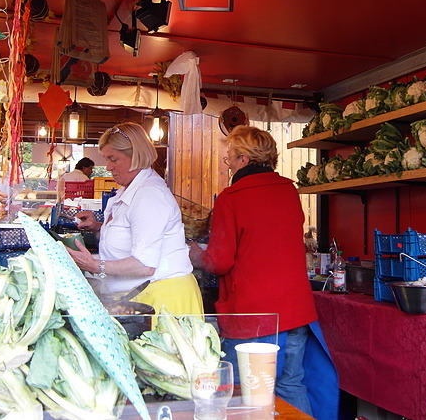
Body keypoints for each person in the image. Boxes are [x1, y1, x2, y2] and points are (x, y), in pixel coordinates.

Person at [189, 125, 338, 419]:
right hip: (296, 311)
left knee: (247, 394)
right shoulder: (288, 191)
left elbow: (219, 262)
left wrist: (197, 255)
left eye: (229, 156)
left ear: (244, 159)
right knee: (291, 385)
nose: (228, 162)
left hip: (252, 316)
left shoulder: (232, 198)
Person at [69, 122, 203, 315]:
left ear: (136, 156)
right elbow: (132, 233)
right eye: (106, 159)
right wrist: (99, 227)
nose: (108, 167)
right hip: (143, 296)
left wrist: (94, 266)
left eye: (113, 159)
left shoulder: (149, 195)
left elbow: (145, 265)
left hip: (164, 300)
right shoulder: (131, 189)